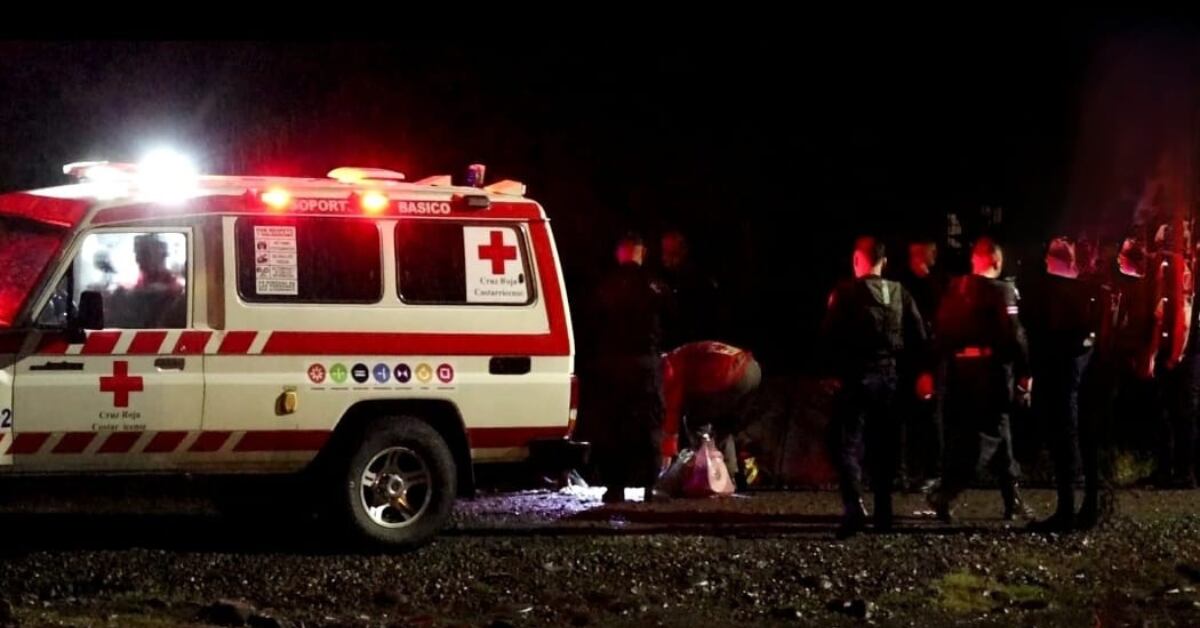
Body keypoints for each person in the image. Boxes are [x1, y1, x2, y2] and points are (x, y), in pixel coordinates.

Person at [820, 236, 931, 537]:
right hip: (889, 378)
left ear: (858, 260)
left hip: (856, 377)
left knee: (842, 442)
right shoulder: (900, 292)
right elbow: (920, 336)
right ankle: (884, 514)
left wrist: (829, 372)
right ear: (885, 262)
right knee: (884, 446)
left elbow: (829, 336)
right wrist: (920, 373)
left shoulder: (845, 292)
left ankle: (854, 506)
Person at [928, 237, 1033, 523]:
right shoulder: (1003, 291)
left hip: (960, 372)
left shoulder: (956, 289)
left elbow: (941, 332)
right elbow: (1015, 335)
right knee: (991, 434)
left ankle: (1012, 499)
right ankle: (947, 491)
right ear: (997, 263)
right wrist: (1025, 372)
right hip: (993, 371)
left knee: (998, 433)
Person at [578, 232, 669, 503]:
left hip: (610, 367)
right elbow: (672, 319)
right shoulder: (654, 285)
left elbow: (589, 325)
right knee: (648, 426)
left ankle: (614, 487)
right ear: (641, 252)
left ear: (620, 253)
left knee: (613, 428)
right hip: (645, 365)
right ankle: (650, 487)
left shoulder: (604, 286)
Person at [1023, 238, 1101, 532]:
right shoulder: (1085, 291)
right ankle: (1081, 507)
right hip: (1072, 374)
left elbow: (1040, 333)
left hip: (1060, 376)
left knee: (1064, 441)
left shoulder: (1052, 292)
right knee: (1074, 441)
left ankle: (1069, 509)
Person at [660, 341, 762, 483]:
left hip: (728, 374)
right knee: (722, 424)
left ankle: (706, 474)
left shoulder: (669, 365)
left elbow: (673, 407)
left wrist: (668, 451)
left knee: (695, 420)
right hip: (752, 370)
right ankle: (728, 476)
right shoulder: (682, 353)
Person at [896, 238, 947, 491]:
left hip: (926, 360)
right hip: (913, 360)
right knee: (908, 418)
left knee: (929, 419)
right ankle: (908, 471)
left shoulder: (931, 285)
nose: (935, 253)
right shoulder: (913, 287)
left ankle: (931, 472)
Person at [658, 230, 723, 348]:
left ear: (682, 251)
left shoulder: (695, 280)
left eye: (669, 252)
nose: (664, 257)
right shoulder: (671, 278)